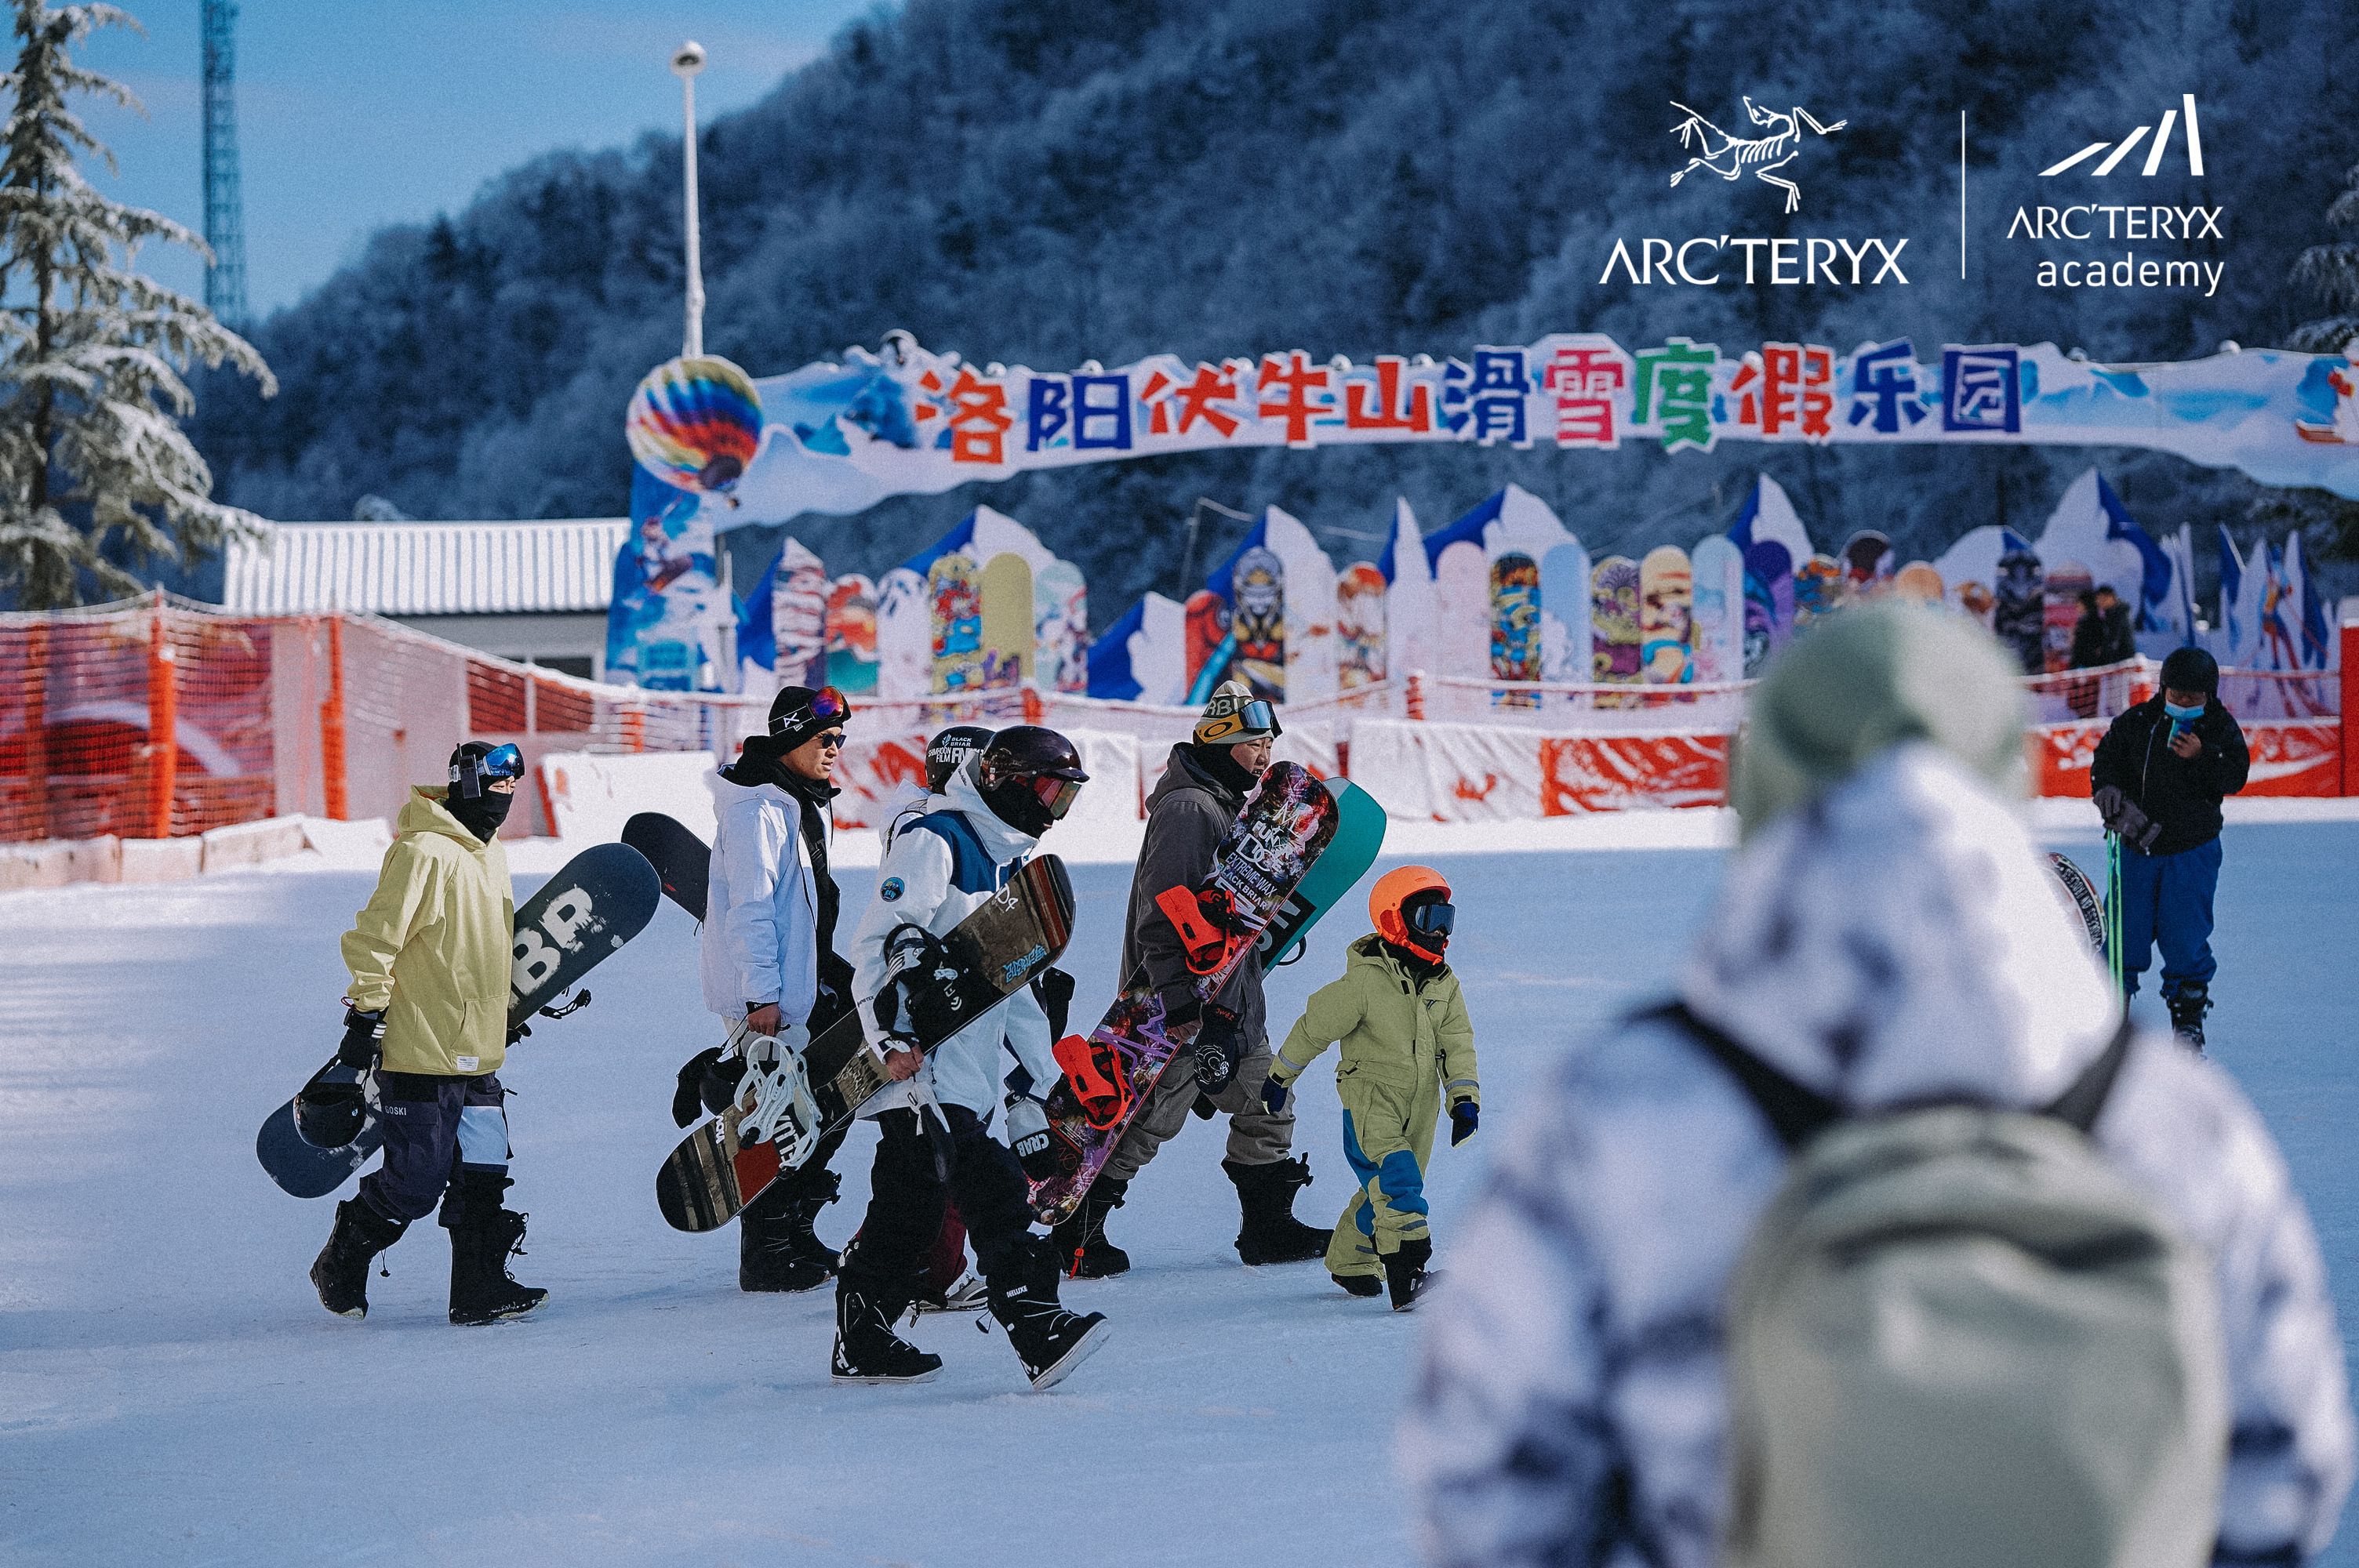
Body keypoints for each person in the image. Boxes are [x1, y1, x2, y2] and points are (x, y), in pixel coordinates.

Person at [1402, 605, 2351, 1568]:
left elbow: (1486, 1479)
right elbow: (2286, 1475)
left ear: (1764, 783)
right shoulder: (2167, 1111)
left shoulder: (1627, 1104)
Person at [832, 726, 1109, 1388]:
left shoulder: (1005, 857)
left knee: (910, 1209)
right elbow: (878, 945)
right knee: (993, 1193)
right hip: (923, 1070)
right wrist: (890, 1040)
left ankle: (863, 1329)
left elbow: (1010, 987)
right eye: (1047, 791)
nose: (1052, 809)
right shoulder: (937, 840)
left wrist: (1040, 1087)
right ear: (1003, 782)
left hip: (968, 1071)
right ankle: (1035, 1321)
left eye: (1064, 798)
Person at [1056, 680, 1329, 1276]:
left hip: (1228, 999)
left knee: (1266, 1101)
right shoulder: (1191, 810)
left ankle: (1268, 1228)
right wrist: (1180, 1001)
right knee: (1144, 1122)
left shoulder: (1228, 804)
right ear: (1218, 741)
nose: (1264, 754)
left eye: (1269, 742)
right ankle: (1077, 1234)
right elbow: (1164, 910)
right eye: (1252, 742)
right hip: (1179, 1007)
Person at [308, 741, 550, 1327]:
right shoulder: (422, 852)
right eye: (497, 788)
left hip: (478, 1052)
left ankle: (477, 1290)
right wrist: (365, 1019)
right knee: (416, 1183)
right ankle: (344, 1252)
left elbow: (482, 951)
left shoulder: (488, 854)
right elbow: (374, 941)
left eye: (513, 789)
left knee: (484, 1172)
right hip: (422, 1052)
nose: (507, 798)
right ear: (466, 785)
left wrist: (501, 1015)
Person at [700, 685, 860, 1293]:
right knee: (778, 1114)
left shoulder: (794, 802)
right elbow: (752, 910)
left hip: (797, 988)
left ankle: (794, 1228)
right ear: (792, 739)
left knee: (821, 1108)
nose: (835, 750)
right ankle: (766, 1252)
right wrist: (760, 996)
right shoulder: (756, 812)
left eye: (841, 739)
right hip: (767, 999)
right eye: (825, 740)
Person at [1262, 866, 1479, 1310]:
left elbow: (1458, 1044)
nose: (1440, 934)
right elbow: (1314, 1027)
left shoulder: (1444, 984)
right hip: (1371, 1098)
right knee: (1398, 1181)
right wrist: (1280, 1075)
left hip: (1421, 1105)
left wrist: (1464, 1100)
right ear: (1395, 921)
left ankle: (1349, 1260)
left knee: (1386, 1189)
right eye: (1429, 920)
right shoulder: (1363, 982)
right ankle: (1409, 1275)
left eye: (1447, 920)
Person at [2092, 645, 2250, 1048]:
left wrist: (2203, 755)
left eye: (2191, 699)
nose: (2181, 703)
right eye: (2174, 695)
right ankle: (2110, 1021)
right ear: (2162, 689)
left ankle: (2188, 1022)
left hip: (2191, 851)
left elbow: (2235, 775)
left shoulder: (2218, 728)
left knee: (2185, 936)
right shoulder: (2138, 722)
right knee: (2123, 936)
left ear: (2209, 696)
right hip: (2136, 847)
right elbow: (2106, 760)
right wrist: (2107, 791)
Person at [2070, 583, 2137, 670]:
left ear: (2112, 597)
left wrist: (2102, 651)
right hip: (2113, 662)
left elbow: (2116, 640)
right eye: (2098, 600)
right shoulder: (2108, 615)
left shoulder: (2120, 614)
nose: (2099, 602)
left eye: (2102, 599)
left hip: (2121, 662)